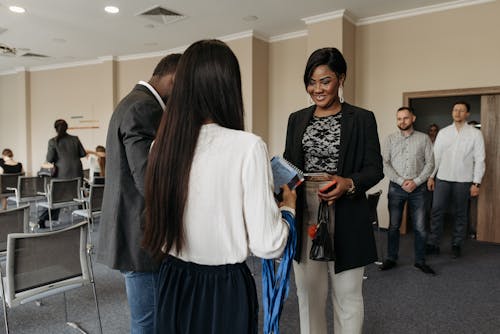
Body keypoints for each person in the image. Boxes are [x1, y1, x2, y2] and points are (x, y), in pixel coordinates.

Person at [142, 39, 294, 334]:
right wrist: (288, 209)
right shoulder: (247, 147)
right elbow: (268, 244)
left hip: (172, 280)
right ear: (229, 88)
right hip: (224, 289)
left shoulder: (161, 146)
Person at [283, 47, 383, 334]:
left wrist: (348, 183)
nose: (317, 89)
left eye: (325, 81)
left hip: (347, 210)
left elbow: (374, 168)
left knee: (348, 295)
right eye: (311, 82)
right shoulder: (296, 119)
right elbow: (291, 164)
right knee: (309, 295)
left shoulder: (362, 118)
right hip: (305, 210)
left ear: (341, 78)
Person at [96, 52, 181, 334]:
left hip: (132, 232)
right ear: (174, 79)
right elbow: (148, 179)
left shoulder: (130, 103)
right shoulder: (145, 108)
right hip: (141, 236)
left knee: (151, 319)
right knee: (149, 323)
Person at [380, 107, 435, 275]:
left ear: (413, 118)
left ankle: (420, 261)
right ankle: (391, 258)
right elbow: (385, 164)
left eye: (405, 118)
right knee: (394, 226)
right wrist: (402, 181)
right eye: (398, 119)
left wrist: (416, 181)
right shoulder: (389, 139)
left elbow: (430, 164)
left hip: (418, 189)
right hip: (397, 187)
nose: (401, 122)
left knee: (420, 227)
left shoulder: (424, 138)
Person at [426, 101, 485, 258]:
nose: (457, 112)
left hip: (464, 180)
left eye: (461, 110)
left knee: (460, 213)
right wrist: (431, 176)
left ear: (467, 114)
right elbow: (435, 157)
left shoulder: (475, 134)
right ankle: (433, 243)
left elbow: (480, 159)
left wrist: (476, 183)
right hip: (443, 178)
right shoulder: (444, 133)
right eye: (455, 109)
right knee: (437, 210)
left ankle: (456, 244)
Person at [38, 119, 86, 228]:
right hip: (77, 173)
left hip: (61, 174)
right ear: (67, 127)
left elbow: (49, 159)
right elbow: (83, 154)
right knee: (79, 193)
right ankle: (87, 215)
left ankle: (42, 219)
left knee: (57, 197)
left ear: (55, 129)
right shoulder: (75, 139)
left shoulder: (53, 141)